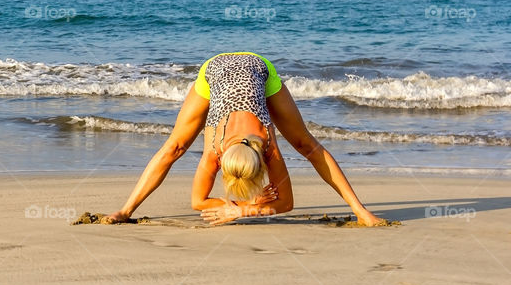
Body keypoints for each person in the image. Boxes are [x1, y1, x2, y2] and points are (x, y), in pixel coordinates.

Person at [102, 52, 384, 226]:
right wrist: (247, 206)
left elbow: (286, 204)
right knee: (175, 146)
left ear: (262, 160)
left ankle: (360, 211)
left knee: (305, 144)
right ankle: (126, 209)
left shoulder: (269, 145)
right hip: (215, 71)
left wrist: (241, 212)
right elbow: (197, 202)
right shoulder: (213, 149)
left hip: (257, 69)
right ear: (221, 161)